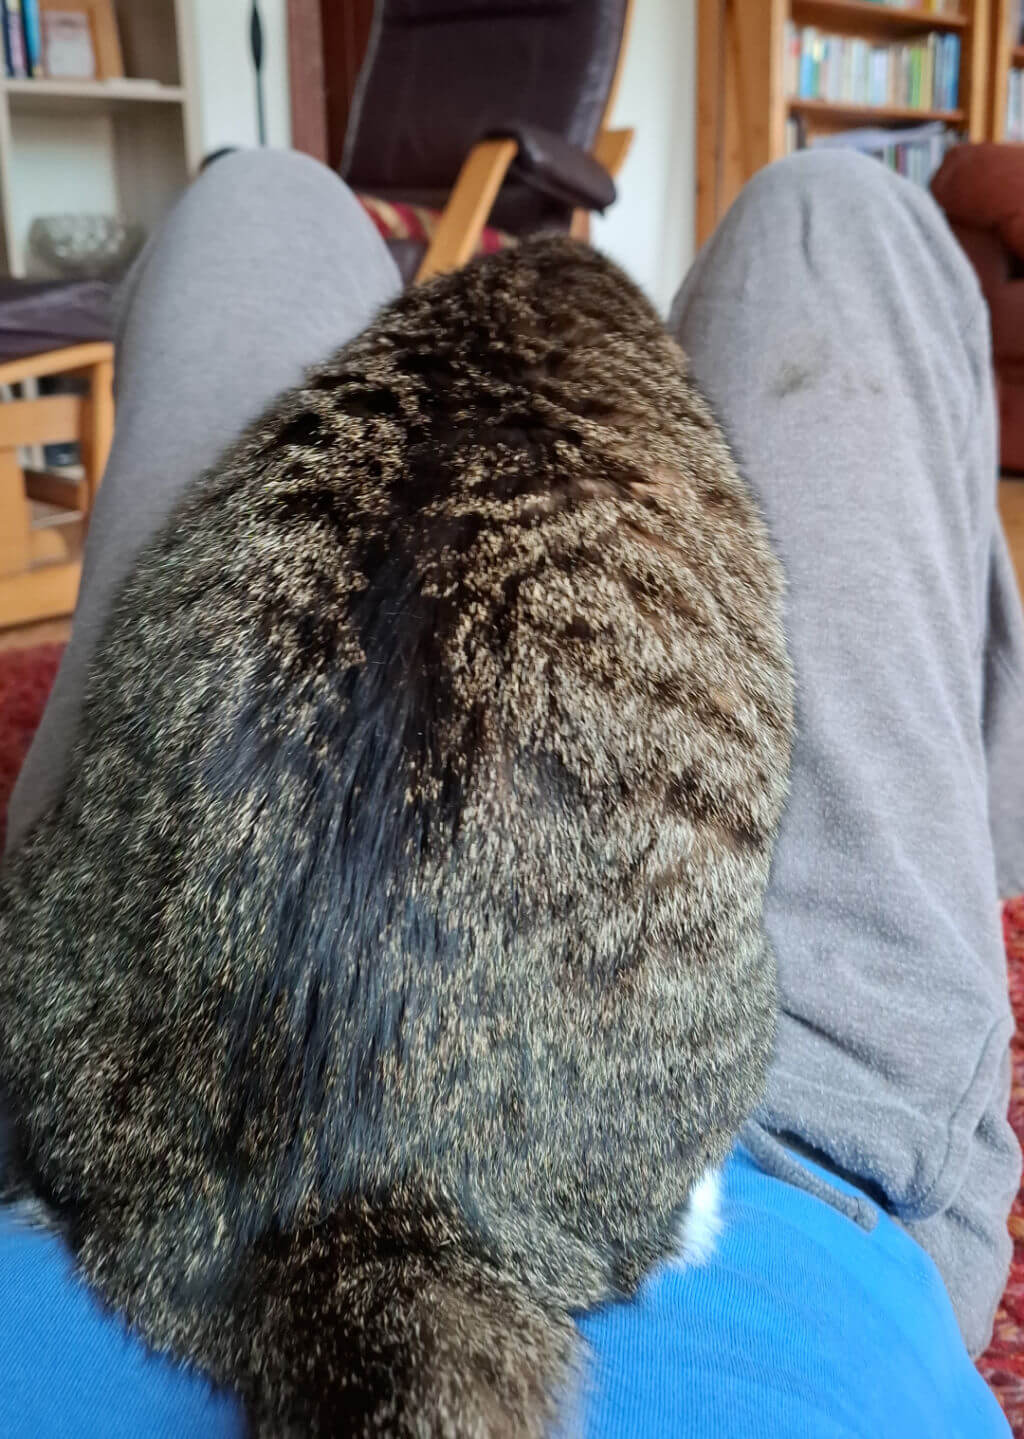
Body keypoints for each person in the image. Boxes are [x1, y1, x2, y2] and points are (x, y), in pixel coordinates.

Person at [2, 145, 1021, 1437]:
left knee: (253, 196)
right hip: (749, 1198)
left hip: (116, 1171)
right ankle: (992, 834)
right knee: (838, 212)